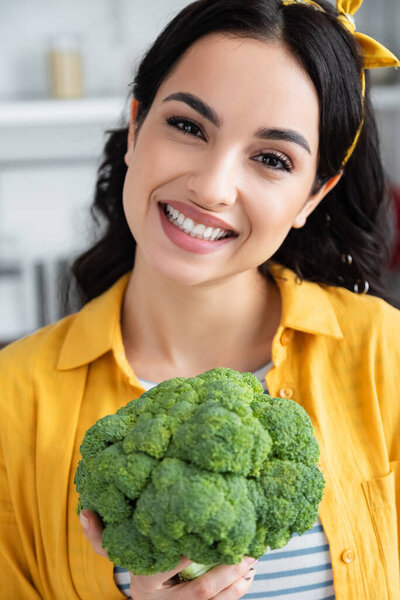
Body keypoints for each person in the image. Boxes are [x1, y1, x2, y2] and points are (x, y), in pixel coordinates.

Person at [1, 0, 399, 598]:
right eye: (189, 126)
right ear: (136, 127)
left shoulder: (385, 353)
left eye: (272, 159)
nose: (212, 187)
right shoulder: (12, 398)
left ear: (313, 197)